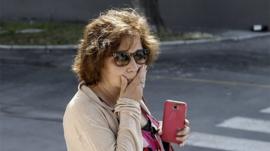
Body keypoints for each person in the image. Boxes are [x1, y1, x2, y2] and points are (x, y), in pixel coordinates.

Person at [63, 8, 190, 151]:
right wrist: (129, 104)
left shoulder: (126, 92)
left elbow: (136, 135)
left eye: (139, 55)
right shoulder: (83, 110)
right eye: (122, 57)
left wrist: (158, 132)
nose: (134, 66)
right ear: (97, 61)